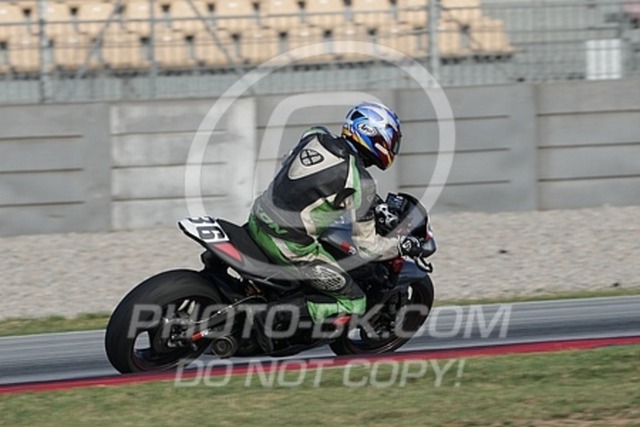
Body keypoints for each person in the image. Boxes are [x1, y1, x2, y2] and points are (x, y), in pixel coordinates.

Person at [247, 101, 427, 352]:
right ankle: (271, 317)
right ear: (375, 135)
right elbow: (368, 248)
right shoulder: (361, 181)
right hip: (288, 245)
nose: (392, 147)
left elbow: (296, 167)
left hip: (257, 218)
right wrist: (403, 245)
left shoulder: (315, 135)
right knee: (354, 302)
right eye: (392, 141)